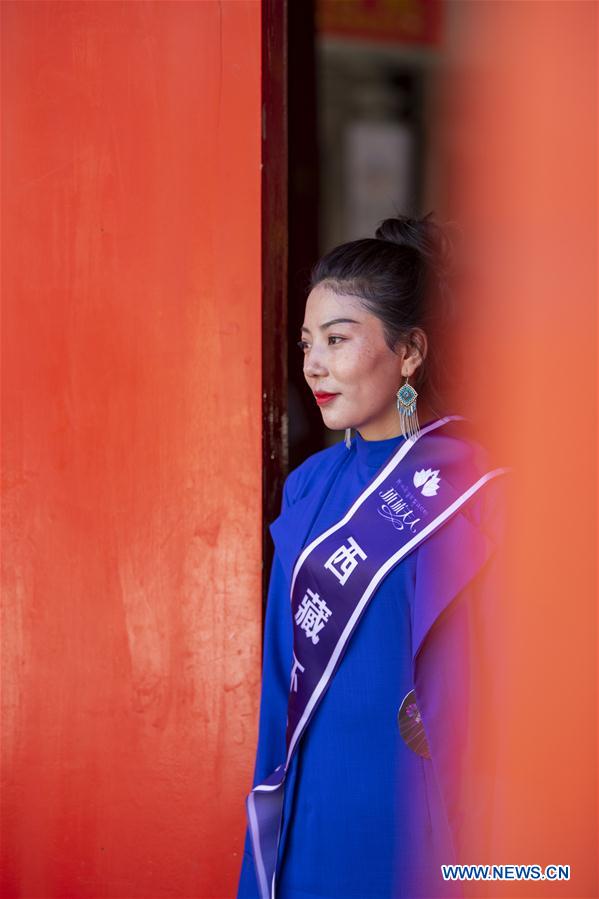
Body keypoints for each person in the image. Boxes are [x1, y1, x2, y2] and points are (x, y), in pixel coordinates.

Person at [236, 214, 511, 899]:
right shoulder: (307, 488)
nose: (313, 364)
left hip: (420, 821)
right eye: (307, 343)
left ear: (409, 350)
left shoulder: (474, 490)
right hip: (310, 815)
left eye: (336, 339)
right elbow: (282, 685)